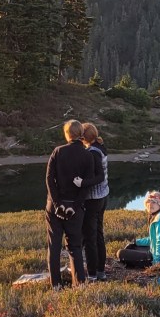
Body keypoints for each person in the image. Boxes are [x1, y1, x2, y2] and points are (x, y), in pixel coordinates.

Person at [45, 120, 103, 289]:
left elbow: (49, 179)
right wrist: (76, 205)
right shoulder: (87, 155)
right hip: (75, 207)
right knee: (75, 246)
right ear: (81, 134)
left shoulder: (58, 151)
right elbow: (87, 184)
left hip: (54, 206)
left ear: (66, 134)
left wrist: (56, 203)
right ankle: (80, 284)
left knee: (54, 245)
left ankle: (56, 284)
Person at [81, 122, 109, 281]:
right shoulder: (101, 147)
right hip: (103, 196)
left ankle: (92, 273)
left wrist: (81, 183)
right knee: (98, 234)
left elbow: (94, 177)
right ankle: (100, 270)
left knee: (90, 236)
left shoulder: (92, 152)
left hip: (93, 198)